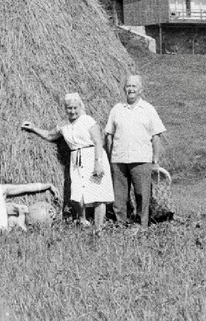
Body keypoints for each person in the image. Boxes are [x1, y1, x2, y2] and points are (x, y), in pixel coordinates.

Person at [21, 92, 115, 230]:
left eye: (75, 108)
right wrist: (33, 128)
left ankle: (99, 228)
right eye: (69, 108)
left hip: (92, 156)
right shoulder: (63, 125)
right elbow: (49, 135)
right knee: (77, 193)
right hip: (76, 160)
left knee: (98, 194)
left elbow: (98, 141)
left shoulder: (88, 120)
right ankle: (83, 221)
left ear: (80, 106)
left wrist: (98, 162)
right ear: (65, 108)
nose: (72, 111)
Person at [104, 74, 167, 228]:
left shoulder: (148, 109)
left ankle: (141, 226)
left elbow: (156, 136)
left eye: (134, 87)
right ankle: (120, 224)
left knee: (142, 195)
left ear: (140, 90)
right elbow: (109, 135)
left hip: (141, 160)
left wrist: (155, 161)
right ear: (124, 89)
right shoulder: (117, 109)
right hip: (119, 160)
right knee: (119, 197)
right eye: (128, 86)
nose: (131, 89)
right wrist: (111, 157)